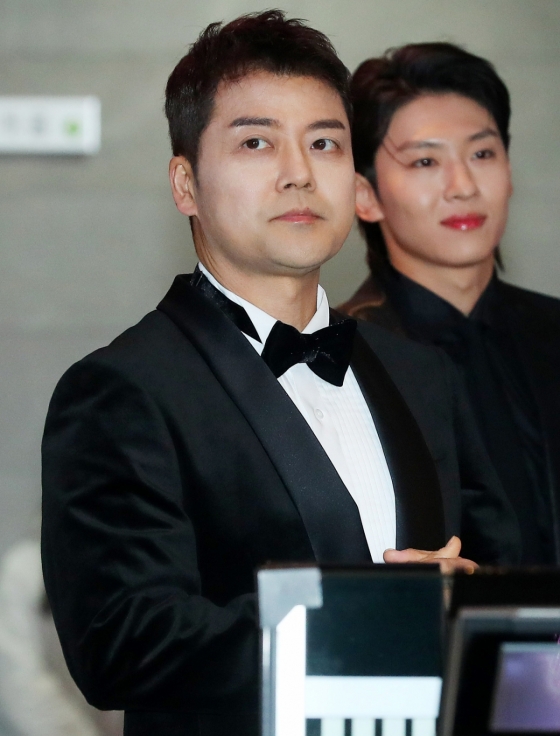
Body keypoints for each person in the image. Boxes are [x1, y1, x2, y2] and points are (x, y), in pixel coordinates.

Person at [41, 15, 520, 736]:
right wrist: (373, 609)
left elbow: (496, 577)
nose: (299, 172)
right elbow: (121, 644)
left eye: (324, 143)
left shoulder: (421, 374)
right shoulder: (123, 389)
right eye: (256, 143)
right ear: (185, 184)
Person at [340, 42, 560, 565]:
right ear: (365, 195)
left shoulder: (552, 331)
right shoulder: (342, 358)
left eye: (482, 154)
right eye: (425, 161)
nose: (463, 187)